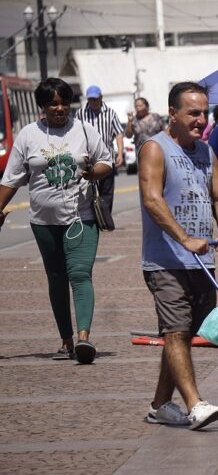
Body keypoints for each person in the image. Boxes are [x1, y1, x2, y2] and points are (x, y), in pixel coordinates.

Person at [139, 82, 218, 430]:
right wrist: (184, 239)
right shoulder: (155, 148)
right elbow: (152, 199)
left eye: (204, 113)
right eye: (192, 113)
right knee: (178, 331)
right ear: (173, 114)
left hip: (202, 261)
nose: (200, 120)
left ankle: (160, 405)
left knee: (182, 333)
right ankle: (195, 404)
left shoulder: (205, 151)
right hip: (165, 261)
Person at [0, 78, 112, 364]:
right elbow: (11, 179)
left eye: (64, 102)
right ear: (43, 106)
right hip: (43, 221)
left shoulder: (84, 130)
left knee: (79, 274)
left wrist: (91, 172)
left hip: (81, 217)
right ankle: (66, 340)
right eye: (53, 104)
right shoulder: (28, 135)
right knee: (56, 279)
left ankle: (84, 338)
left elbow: (106, 162)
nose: (60, 108)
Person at [75, 85, 124, 213]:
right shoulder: (80, 113)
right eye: (90, 99)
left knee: (106, 192)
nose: (93, 102)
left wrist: (120, 153)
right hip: (87, 159)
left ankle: (105, 219)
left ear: (101, 98)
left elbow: (118, 133)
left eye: (95, 99)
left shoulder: (111, 113)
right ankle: (90, 217)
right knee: (86, 190)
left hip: (106, 158)